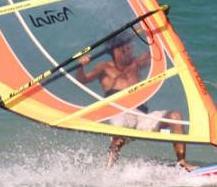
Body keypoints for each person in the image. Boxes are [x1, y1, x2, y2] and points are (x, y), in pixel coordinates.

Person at [75, 33, 197, 171]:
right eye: (127, 48)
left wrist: (157, 28)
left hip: (142, 116)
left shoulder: (136, 64)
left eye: (131, 47)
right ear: (117, 50)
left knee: (175, 117)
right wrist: (80, 66)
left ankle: (182, 163)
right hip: (120, 113)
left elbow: (156, 53)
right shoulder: (104, 67)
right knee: (119, 135)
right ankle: (107, 171)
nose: (131, 50)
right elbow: (83, 80)